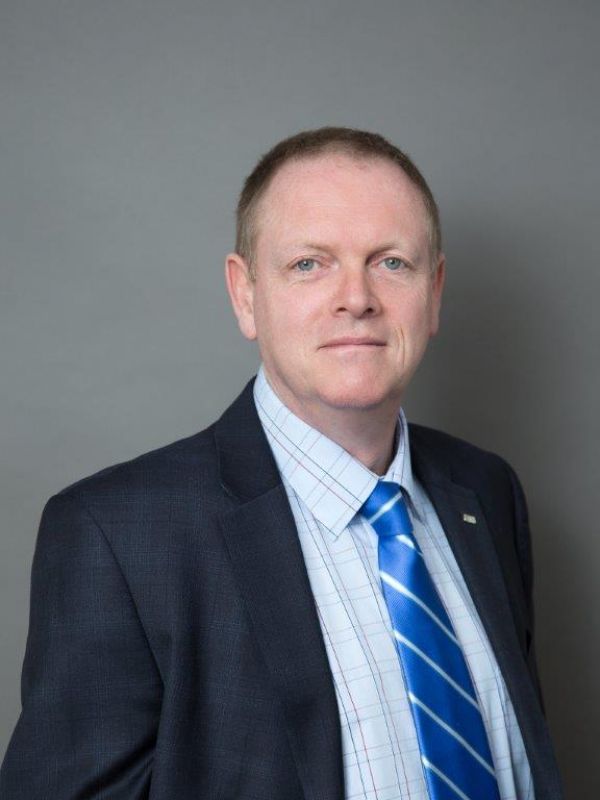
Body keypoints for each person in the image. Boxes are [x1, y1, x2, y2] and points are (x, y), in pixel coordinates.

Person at [0, 127, 563, 799]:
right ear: (245, 295)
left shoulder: (485, 492)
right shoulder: (117, 537)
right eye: (309, 264)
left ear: (434, 291)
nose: (356, 298)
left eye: (391, 263)